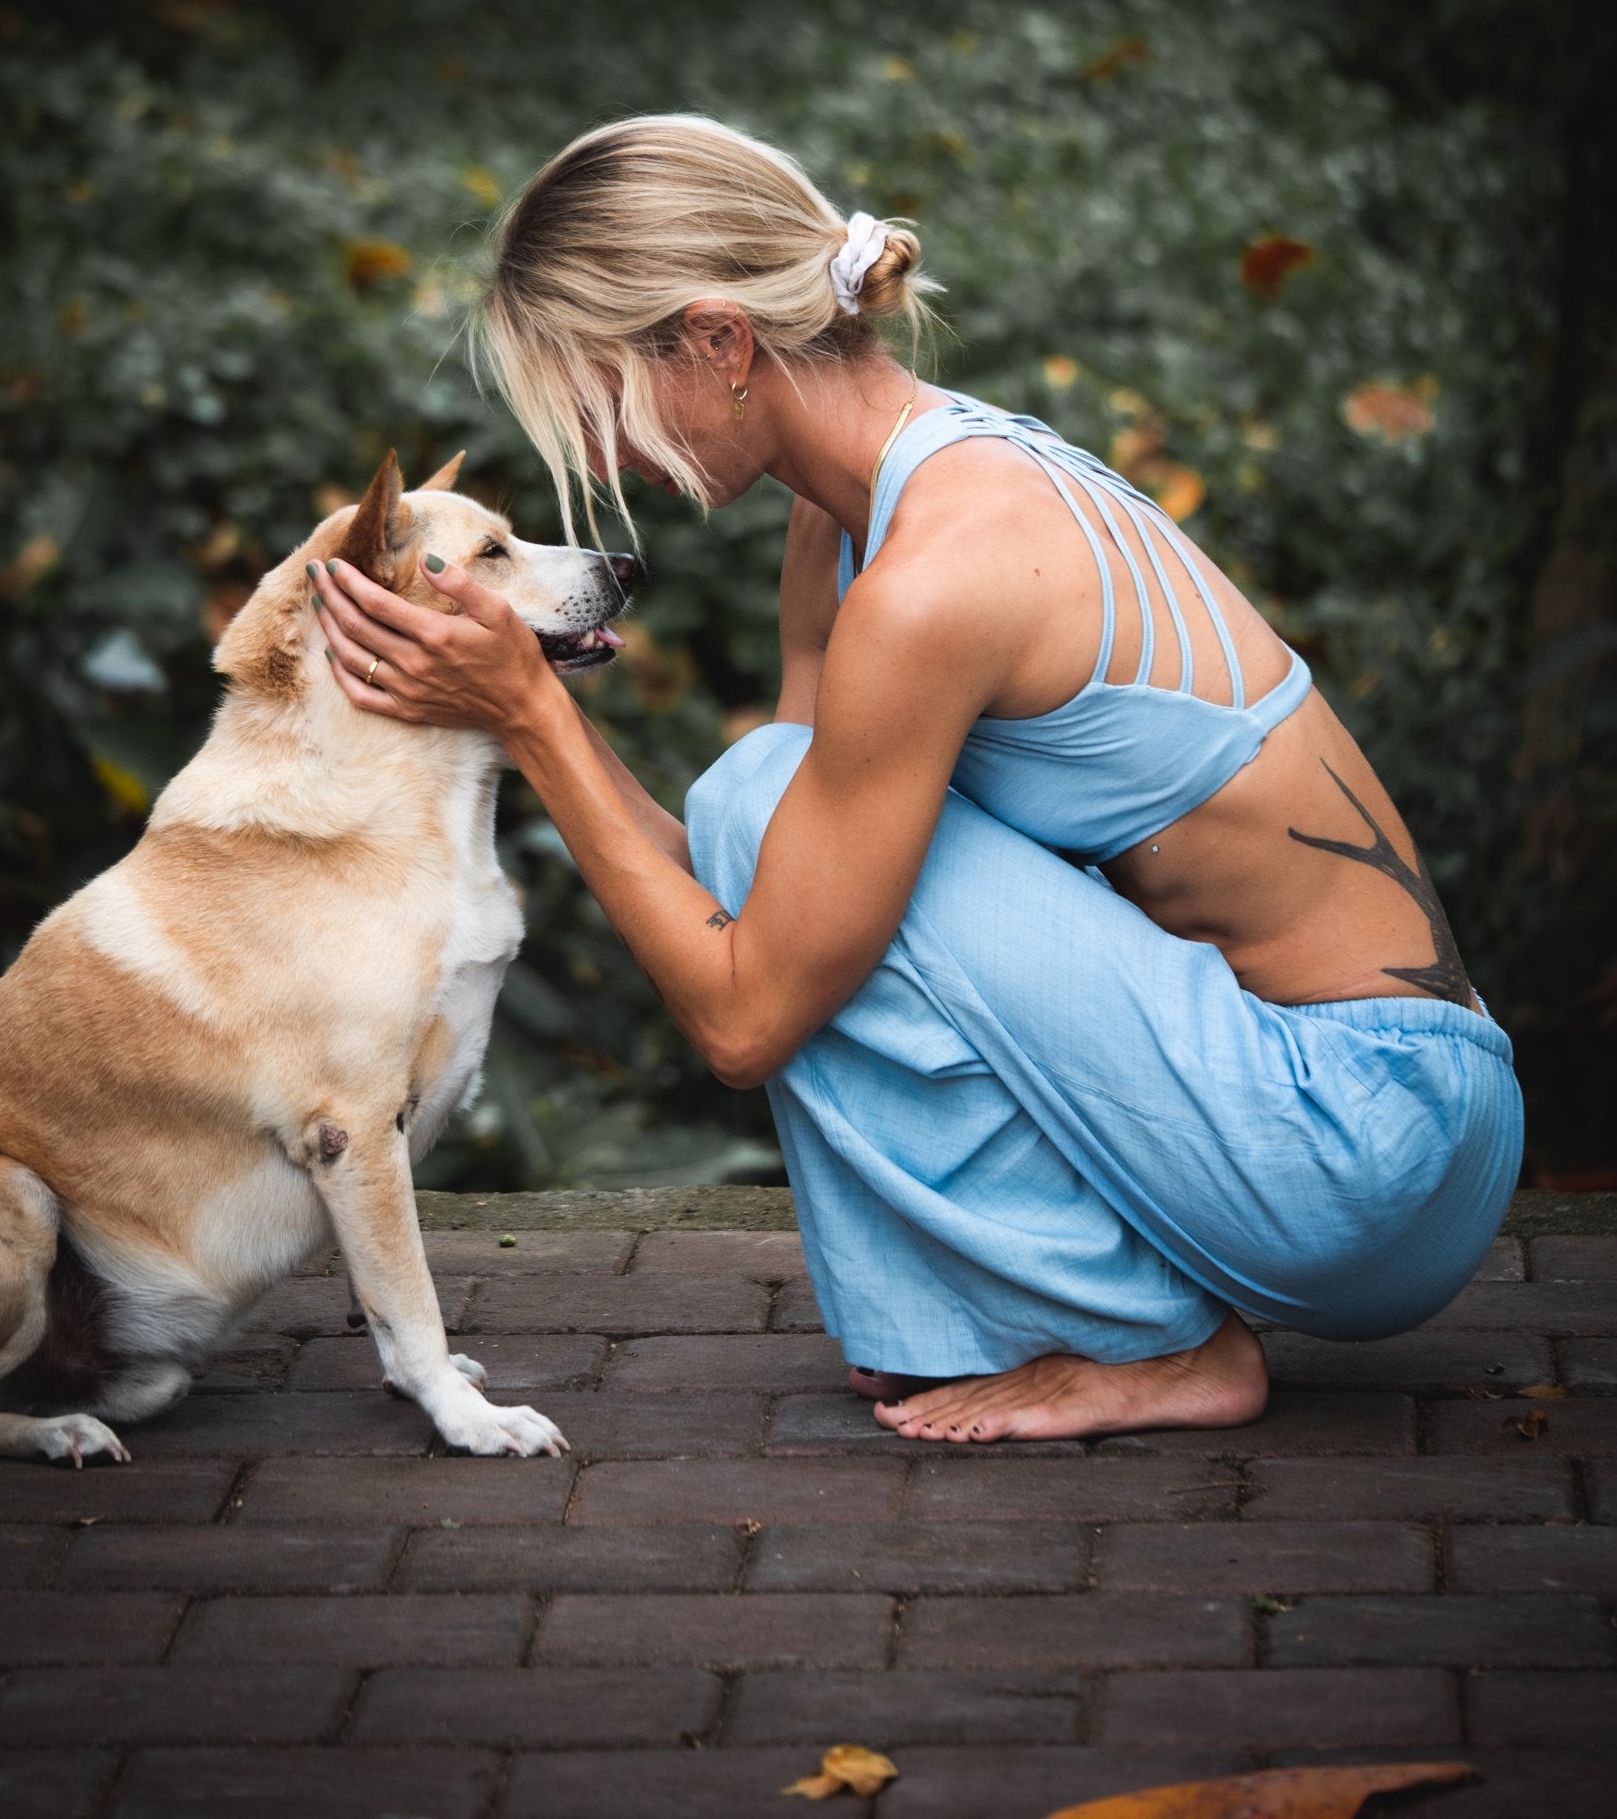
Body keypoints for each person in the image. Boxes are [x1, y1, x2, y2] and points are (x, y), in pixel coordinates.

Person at [312, 113, 1524, 1444]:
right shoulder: (864, 514)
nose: (600, 460)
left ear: (721, 343)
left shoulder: (934, 580)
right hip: (1357, 1121)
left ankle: (1152, 1344)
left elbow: (743, 1020)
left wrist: (536, 720)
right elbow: (773, 896)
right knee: (756, 804)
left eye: (595, 400)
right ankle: (997, 1308)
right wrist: (525, 712)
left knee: (757, 794)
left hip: (1365, 1148)